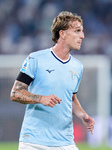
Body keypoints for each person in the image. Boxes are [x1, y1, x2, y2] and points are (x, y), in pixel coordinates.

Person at [10, 11, 95, 150]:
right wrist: (40, 98)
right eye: (77, 31)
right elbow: (15, 93)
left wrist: (83, 115)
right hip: (34, 142)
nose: (82, 36)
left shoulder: (77, 67)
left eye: (82, 31)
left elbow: (71, 99)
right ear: (62, 34)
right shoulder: (36, 59)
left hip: (65, 142)